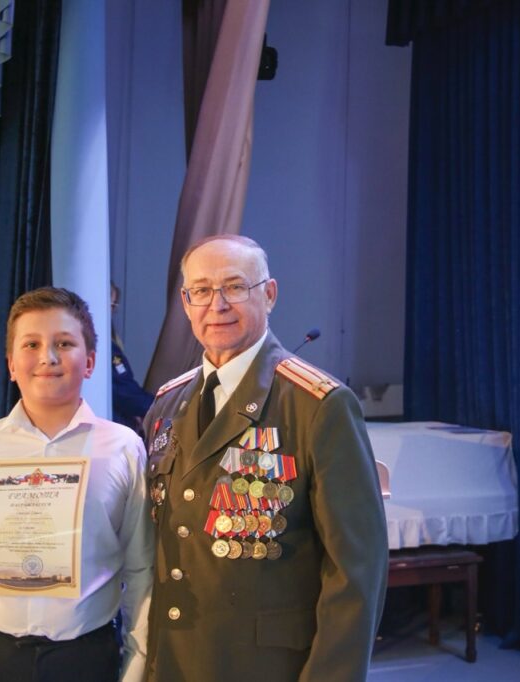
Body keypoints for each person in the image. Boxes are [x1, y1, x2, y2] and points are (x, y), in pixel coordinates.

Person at [142, 235, 388, 682]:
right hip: (173, 661)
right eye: (201, 290)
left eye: (235, 287)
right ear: (185, 303)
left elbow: (356, 571)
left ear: (269, 294)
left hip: (267, 667)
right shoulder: (166, 405)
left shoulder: (318, 406)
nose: (217, 305)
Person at [0, 287, 152, 682]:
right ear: (11, 365)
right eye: (32, 344)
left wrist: (137, 664)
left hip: (83, 658)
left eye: (64, 343)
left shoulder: (123, 448)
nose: (48, 357)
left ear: (90, 362)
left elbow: (141, 565)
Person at [109, 282, 153, 434]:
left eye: (114, 305)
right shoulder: (105, 346)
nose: (113, 311)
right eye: (111, 304)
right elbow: (123, 391)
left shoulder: (107, 342)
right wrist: (155, 406)